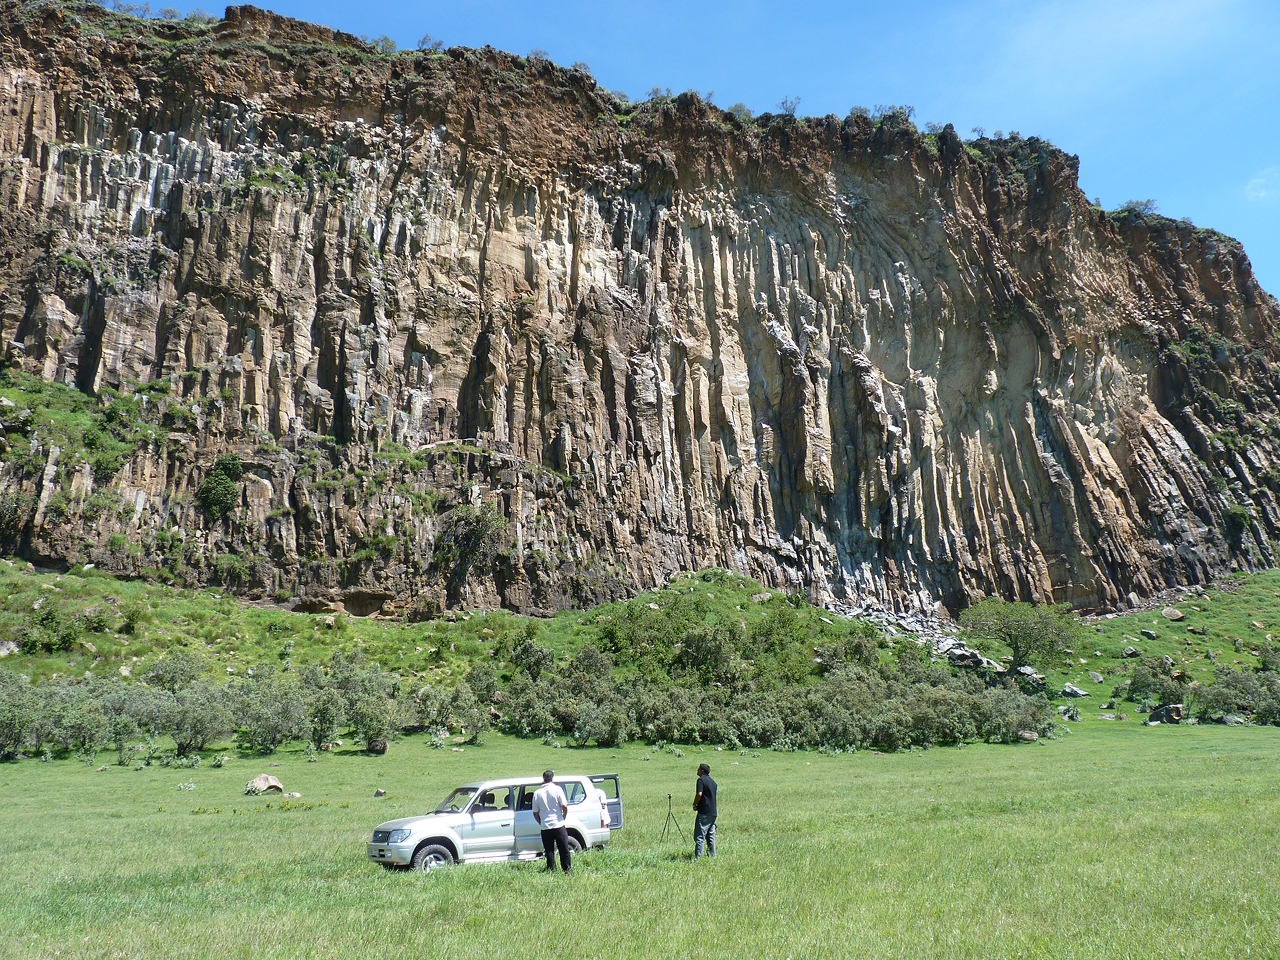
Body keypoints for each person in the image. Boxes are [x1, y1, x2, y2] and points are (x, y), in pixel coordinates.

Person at [532, 769, 572, 873]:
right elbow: (564, 805)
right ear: (552, 778)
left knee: (549, 850)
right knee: (564, 849)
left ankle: (552, 870)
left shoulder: (537, 793)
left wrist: (540, 822)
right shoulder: (557, 789)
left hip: (545, 826)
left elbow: (535, 812)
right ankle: (567, 869)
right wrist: (564, 816)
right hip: (558, 824)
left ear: (543, 778)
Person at [692, 762, 717, 858]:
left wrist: (695, 804)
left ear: (702, 771)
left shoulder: (700, 780)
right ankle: (712, 856)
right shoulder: (713, 782)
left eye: (698, 769)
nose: (697, 770)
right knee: (711, 836)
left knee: (700, 836)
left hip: (704, 812)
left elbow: (699, 794)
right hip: (713, 812)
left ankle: (698, 858)